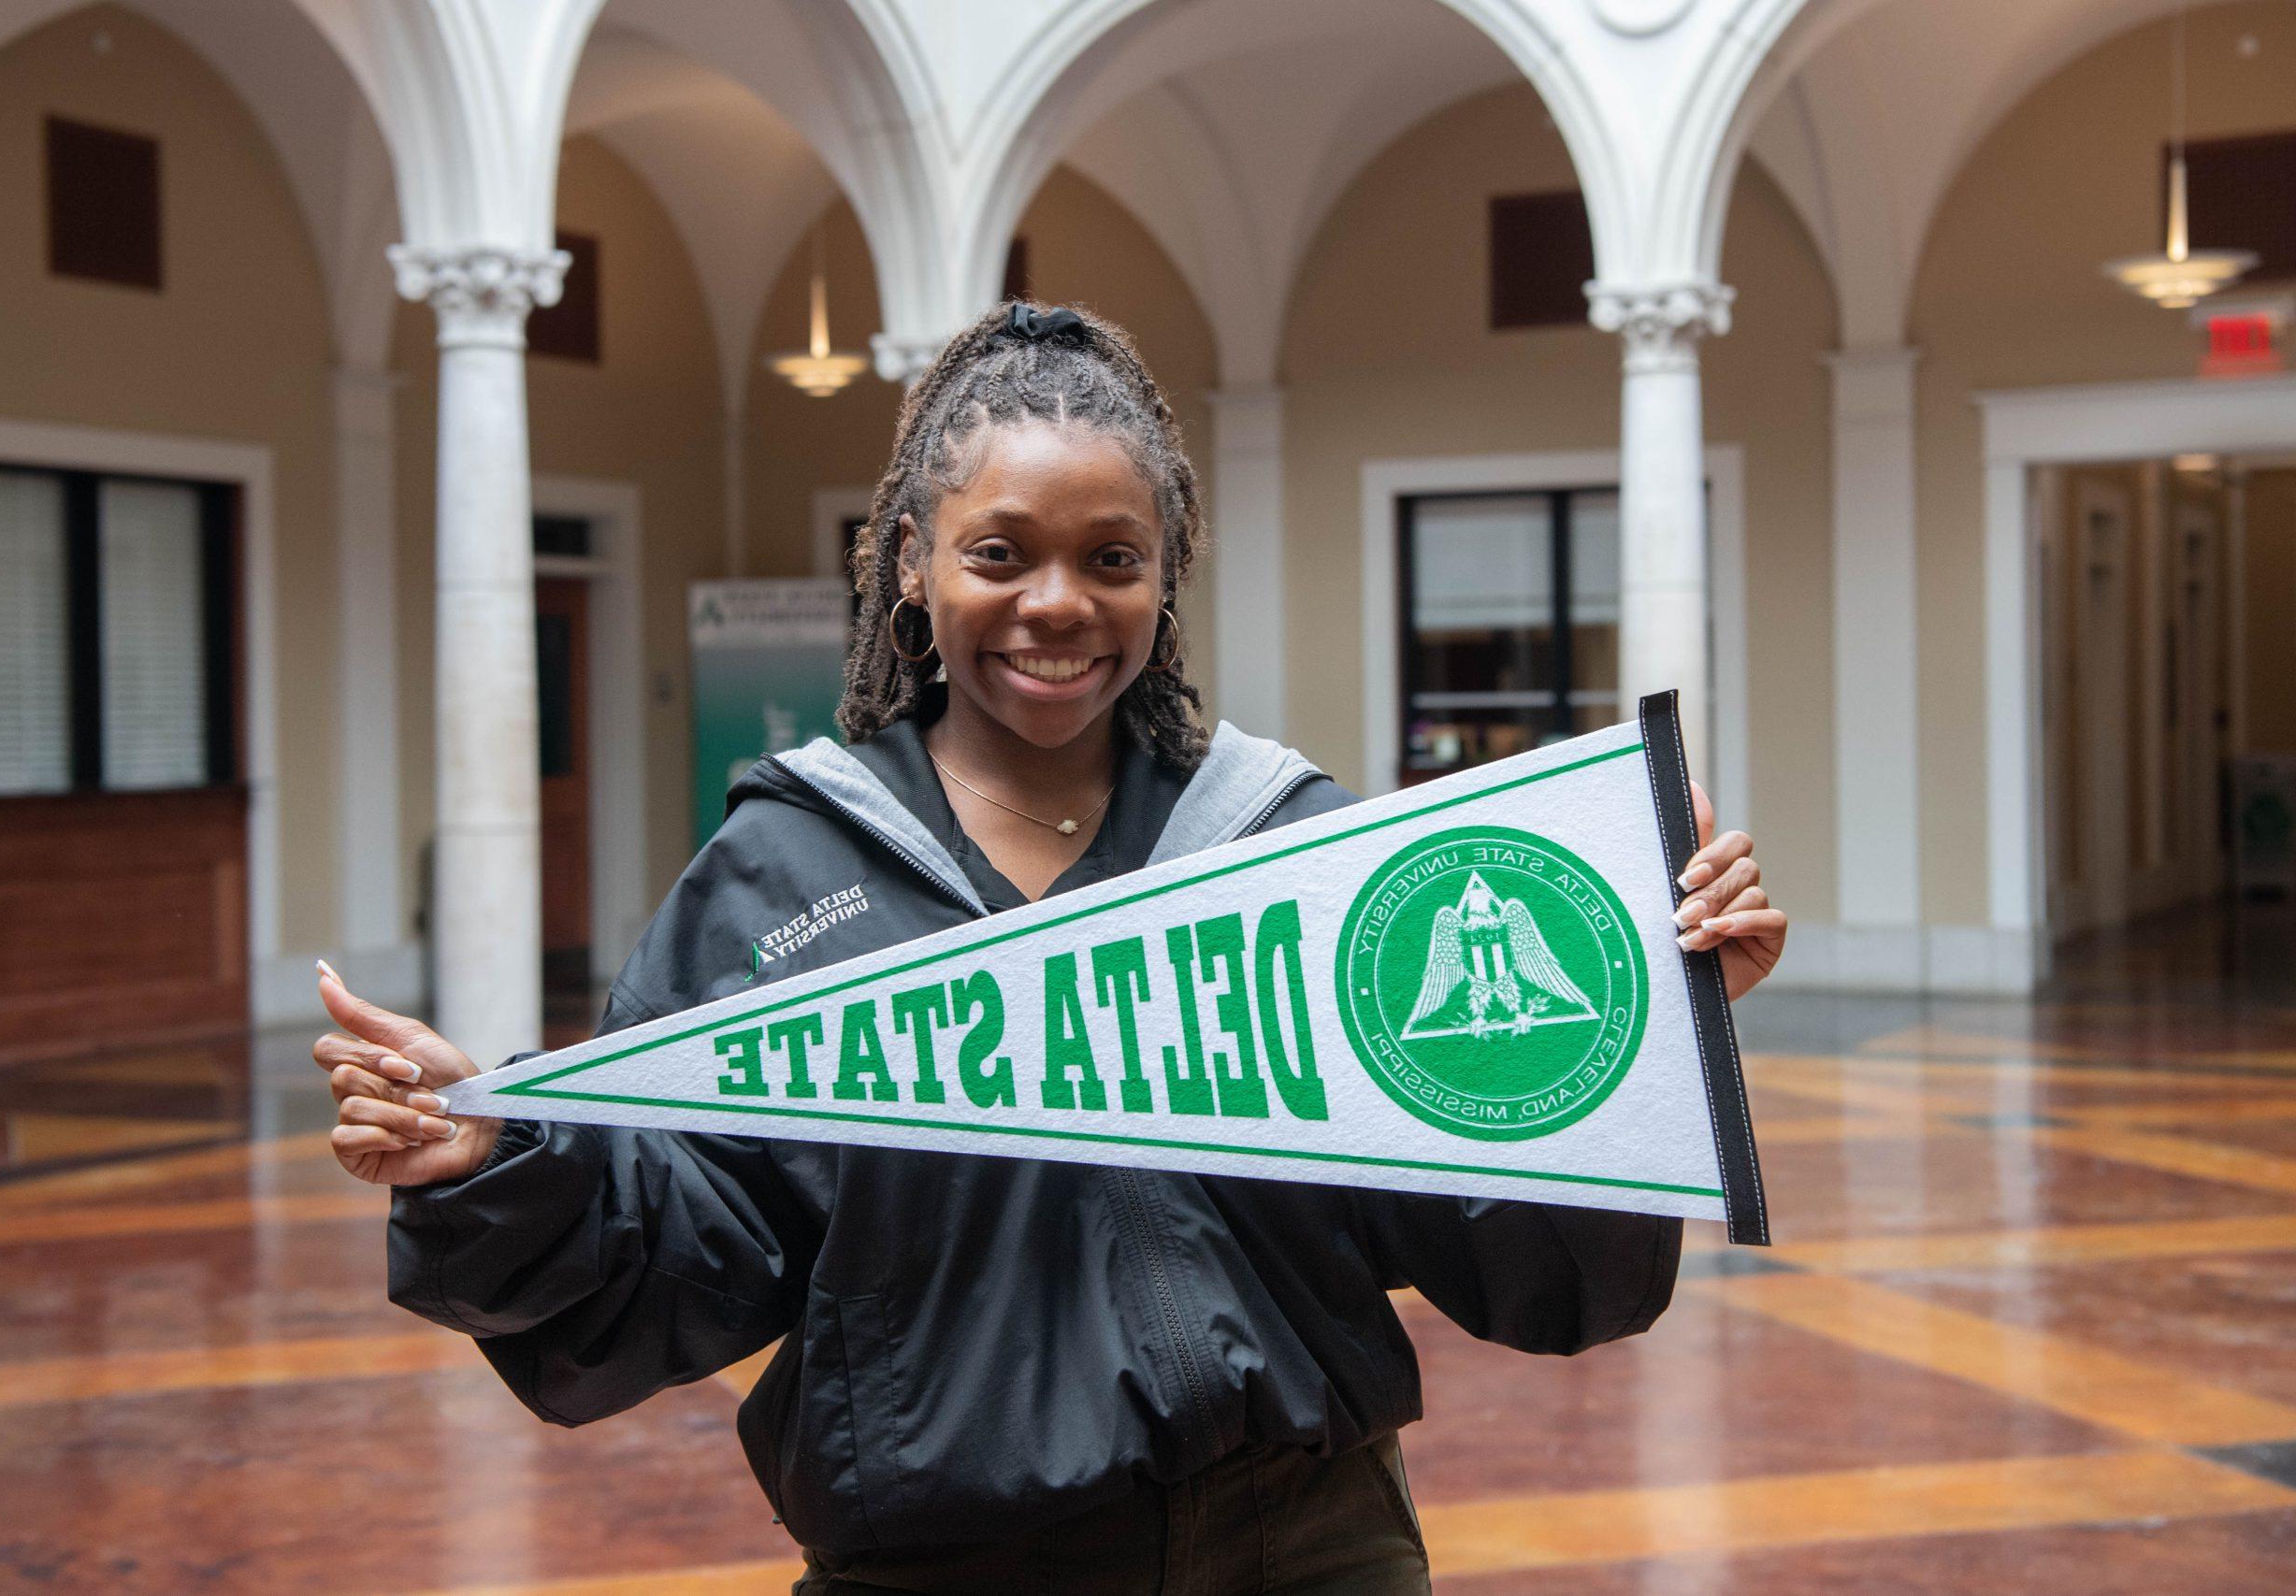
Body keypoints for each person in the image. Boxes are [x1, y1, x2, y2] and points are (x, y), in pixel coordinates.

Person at [314, 301, 1787, 1594]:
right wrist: (492, 1159)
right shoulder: (780, 876)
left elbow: (1466, 1193)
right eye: (1000, 554)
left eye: (1113, 558)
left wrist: (1648, 1009)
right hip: (947, 1570)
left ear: (1167, 570)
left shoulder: (1283, 842)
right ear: (910, 561)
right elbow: (687, 1238)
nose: (1058, 605)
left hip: (1312, 1549)